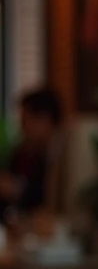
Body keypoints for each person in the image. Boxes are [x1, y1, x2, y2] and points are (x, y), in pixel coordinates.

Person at [0, 87, 62, 225]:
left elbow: (46, 203)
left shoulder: (57, 157)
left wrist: (16, 190)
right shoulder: (21, 153)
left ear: (45, 120)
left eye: (25, 122)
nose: (22, 128)